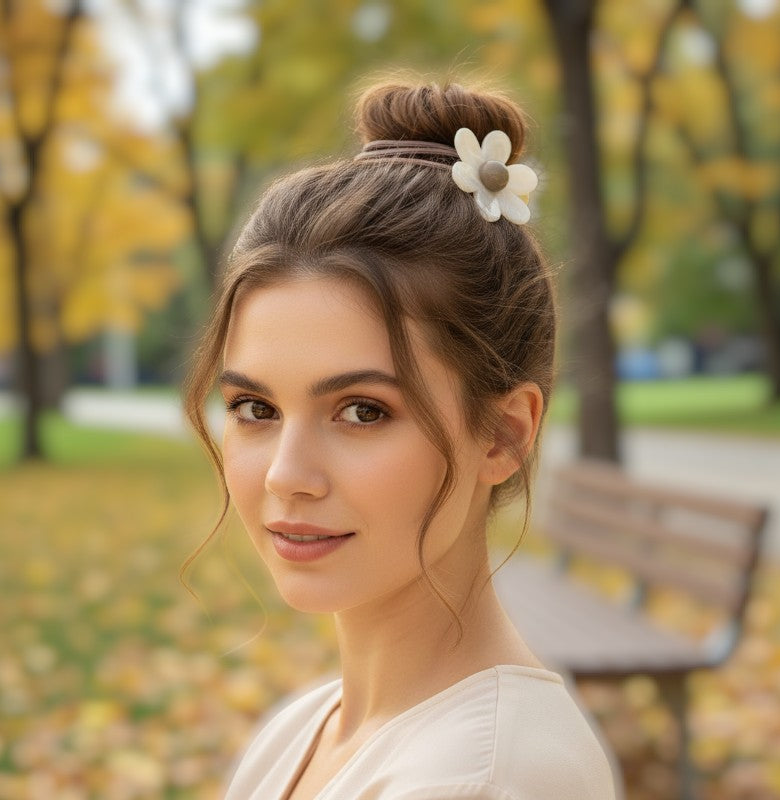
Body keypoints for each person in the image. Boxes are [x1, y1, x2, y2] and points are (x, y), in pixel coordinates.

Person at [184, 79, 617, 800]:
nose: (286, 477)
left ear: (504, 436)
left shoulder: (486, 778)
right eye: (255, 407)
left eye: (362, 411)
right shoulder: (302, 731)